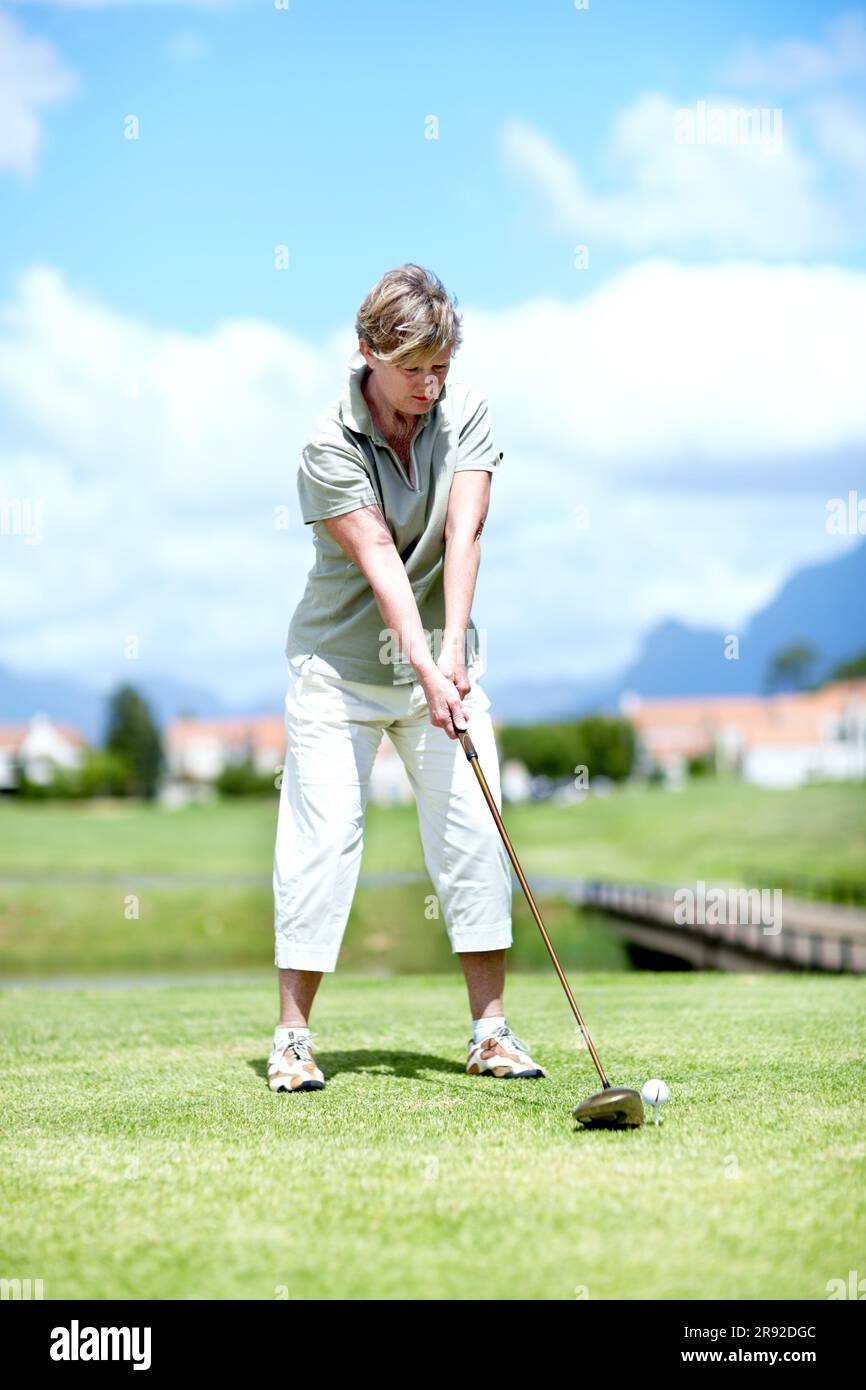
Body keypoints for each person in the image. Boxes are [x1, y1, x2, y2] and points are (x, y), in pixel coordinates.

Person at [268, 263, 546, 1092]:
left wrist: (451, 654)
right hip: (340, 673)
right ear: (367, 353)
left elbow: (463, 537)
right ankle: (292, 1041)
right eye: (414, 368)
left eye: (441, 367)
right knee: (322, 848)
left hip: (443, 662)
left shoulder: (469, 417)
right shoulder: (327, 444)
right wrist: (424, 663)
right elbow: (385, 564)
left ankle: (490, 1033)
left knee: (472, 839)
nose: (429, 384)